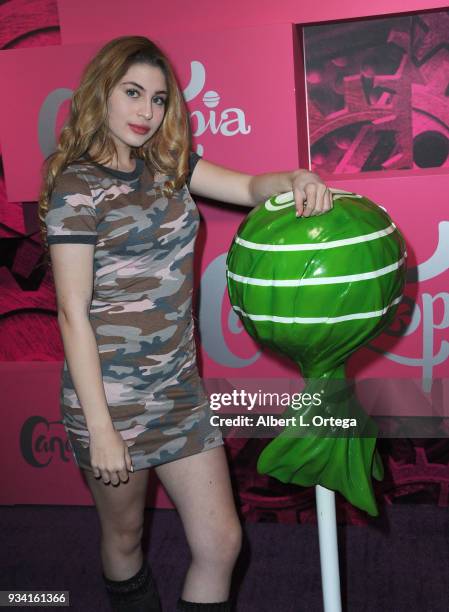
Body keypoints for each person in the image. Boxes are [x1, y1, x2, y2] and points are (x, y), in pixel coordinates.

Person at [38, 36, 332, 612]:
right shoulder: (76, 187)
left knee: (221, 543)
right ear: (102, 93)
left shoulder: (170, 167)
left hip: (177, 390)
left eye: (159, 98)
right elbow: (72, 312)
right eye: (132, 93)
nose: (147, 112)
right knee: (124, 539)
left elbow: (248, 188)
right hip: (111, 401)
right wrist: (101, 429)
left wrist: (295, 178)